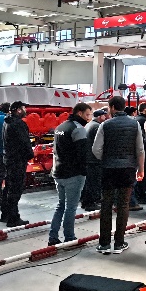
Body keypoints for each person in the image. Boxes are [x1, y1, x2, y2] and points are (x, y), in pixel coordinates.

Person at [92, 96, 145, 254]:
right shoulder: (134, 124)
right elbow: (140, 149)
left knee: (106, 205)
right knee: (123, 205)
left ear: (113, 107)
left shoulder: (105, 125)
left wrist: (106, 158)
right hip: (128, 169)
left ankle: (104, 244)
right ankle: (119, 243)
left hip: (108, 169)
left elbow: (96, 149)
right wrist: (140, 169)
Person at [48, 103, 91, 246]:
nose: (88, 118)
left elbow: (56, 151)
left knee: (61, 205)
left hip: (58, 172)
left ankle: (53, 237)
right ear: (79, 113)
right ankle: (69, 238)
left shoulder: (60, 127)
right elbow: (82, 155)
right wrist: (85, 171)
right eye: (87, 115)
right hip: (73, 174)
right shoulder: (78, 129)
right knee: (71, 207)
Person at [1, 101, 34, 227]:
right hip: (17, 161)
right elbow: (25, 142)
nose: (25, 110)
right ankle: (13, 218)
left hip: (9, 159)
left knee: (8, 187)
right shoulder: (18, 124)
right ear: (18, 110)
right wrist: (30, 154)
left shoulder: (6, 122)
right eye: (24, 108)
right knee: (15, 189)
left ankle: (5, 214)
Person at [81, 109, 108, 211]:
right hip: (94, 159)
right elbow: (101, 142)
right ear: (100, 117)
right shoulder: (97, 127)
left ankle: (85, 202)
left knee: (88, 182)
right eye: (104, 116)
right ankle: (91, 203)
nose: (105, 117)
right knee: (94, 182)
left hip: (88, 158)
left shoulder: (89, 125)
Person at [134, 103, 146, 201]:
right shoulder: (145, 121)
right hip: (143, 149)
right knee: (144, 173)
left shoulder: (135, 119)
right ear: (145, 110)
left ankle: (137, 193)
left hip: (135, 150)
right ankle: (141, 194)